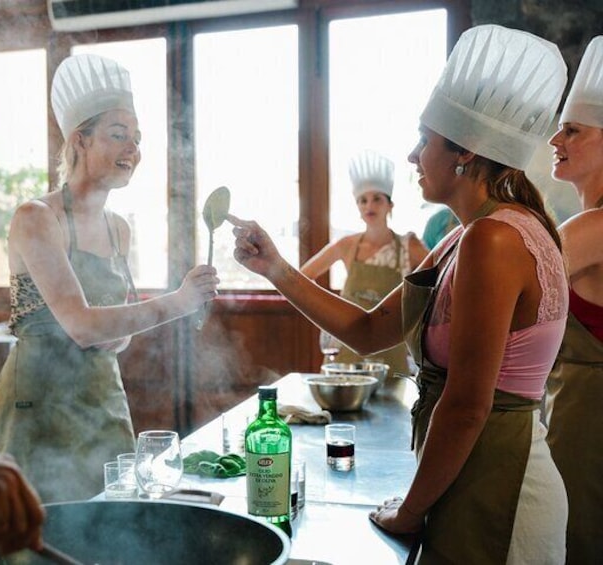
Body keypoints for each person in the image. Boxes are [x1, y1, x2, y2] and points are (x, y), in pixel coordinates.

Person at [229, 25, 569, 563]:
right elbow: (369, 332)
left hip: (500, 488)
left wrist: (410, 512)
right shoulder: (465, 236)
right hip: (471, 473)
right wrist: (276, 268)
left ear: (466, 154)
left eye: (424, 140)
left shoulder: (494, 239)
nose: (412, 157)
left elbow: (465, 405)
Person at [0, 54, 218, 504]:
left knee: (115, 517)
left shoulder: (120, 228)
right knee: (48, 531)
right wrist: (179, 301)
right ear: (81, 140)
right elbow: (81, 324)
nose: (132, 150)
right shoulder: (36, 217)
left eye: (137, 139)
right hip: (40, 402)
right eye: (118, 136)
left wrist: (120, 337)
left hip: (102, 395)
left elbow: (113, 332)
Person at [544, 35, 603, 564]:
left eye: (573, 130)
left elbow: (511, 298)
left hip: (589, 429)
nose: (554, 139)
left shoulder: (591, 228)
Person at [301, 150, 427, 379]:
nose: (370, 205)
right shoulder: (347, 245)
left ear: (390, 205)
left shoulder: (409, 245)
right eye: (363, 200)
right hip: (347, 349)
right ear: (358, 207)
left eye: (377, 198)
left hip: (391, 347)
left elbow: (441, 278)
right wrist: (329, 314)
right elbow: (301, 278)